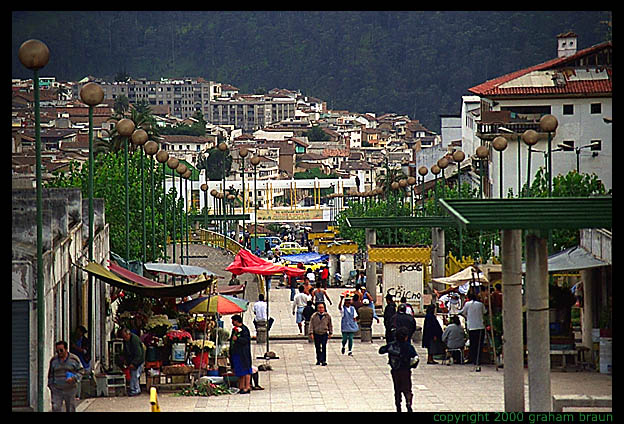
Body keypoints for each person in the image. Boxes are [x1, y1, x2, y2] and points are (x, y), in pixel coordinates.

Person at [379, 327, 418, 412]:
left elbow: (381, 350)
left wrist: (390, 350)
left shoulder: (392, 345)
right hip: (406, 370)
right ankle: (408, 401)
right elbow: (415, 357)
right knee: (407, 388)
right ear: (406, 337)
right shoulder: (409, 346)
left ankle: (398, 405)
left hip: (395, 370)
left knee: (397, 388)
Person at [48, 340, 83, 412]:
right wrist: (51, 385)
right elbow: (51, 374)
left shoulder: (74, 359)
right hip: (57, 389)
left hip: (70, 389)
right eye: (57, 351)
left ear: (66, 349)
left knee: (70, 408)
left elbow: (81, 371)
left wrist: (74, 378)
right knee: (56, 407)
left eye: (61, 350)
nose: (59, 353)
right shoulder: (54, 360)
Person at [457, 292, 486, 371]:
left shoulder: (467, 304)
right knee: (479, 344)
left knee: (473, 344)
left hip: (471, 327)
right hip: (480, 327)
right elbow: (485, 312)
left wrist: (467, 317)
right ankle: (478, 360)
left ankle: (473, 359)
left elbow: (462, 312)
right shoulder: (480, 304)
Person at [118, 327, 145, 396]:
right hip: (132, 360)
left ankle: (135, 390)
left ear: (128, 334)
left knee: (134, 374)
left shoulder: (134, 340)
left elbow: (138, 353)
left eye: (125, 336)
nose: (124, 338)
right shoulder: (126, 341)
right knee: (133, 375)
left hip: (138, 360)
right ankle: (135, 389)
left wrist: (134, 363)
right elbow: (125, 351)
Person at [230, 314, 253, 394]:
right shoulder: (234, 330)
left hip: (244, 353)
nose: (232, 322)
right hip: (236, 352)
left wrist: (238, 339)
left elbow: (246, 340)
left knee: (246, 370)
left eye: (233, 321)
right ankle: (241, 386)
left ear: (237, 321)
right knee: (239, 370)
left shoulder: (244, 329)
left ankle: (247, 386)